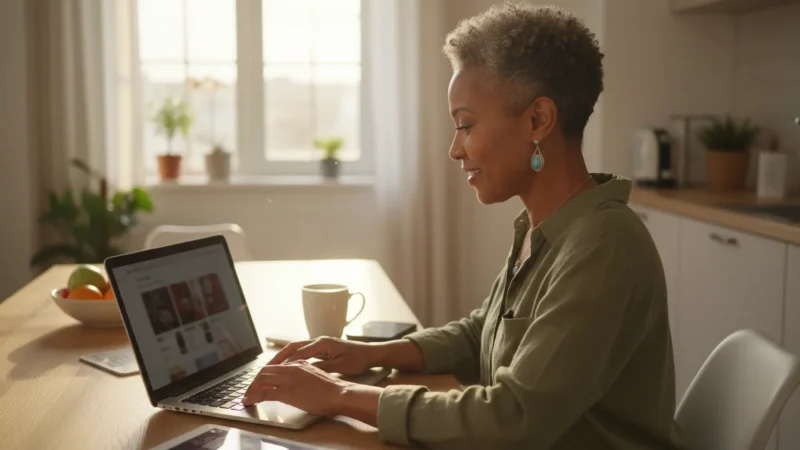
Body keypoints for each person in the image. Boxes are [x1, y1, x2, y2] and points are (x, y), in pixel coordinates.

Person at [243, 4, 683, 449]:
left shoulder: (602, 246)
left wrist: (339, 395)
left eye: (466, 125)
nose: (455, 149)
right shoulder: (546, 228)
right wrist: (369, 354)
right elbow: (482, 334)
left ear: (538, 120)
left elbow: (513, 418)